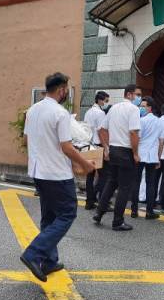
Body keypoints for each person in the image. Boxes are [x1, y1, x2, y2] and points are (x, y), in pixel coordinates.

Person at [19, 72, 95, 282]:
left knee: (49, 216)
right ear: (62, 90)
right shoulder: (60, 114)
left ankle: (50, 260)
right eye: (66, 90)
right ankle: (34, 253)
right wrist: (85, 163)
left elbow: (26, 141)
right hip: (57, 174)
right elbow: (67, 147)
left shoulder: (32, 110)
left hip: (38, 172)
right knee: (67, 214)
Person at [93, 84, 142, 231]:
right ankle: (118, 221)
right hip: (126, 151)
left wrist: (107, 147)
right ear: (129, 94)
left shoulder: (113, 108)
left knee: (111, 183)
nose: (139, 98)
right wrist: (135, 153)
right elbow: (133, 133)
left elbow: (102, 129)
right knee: (124, 188)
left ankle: (99, 213)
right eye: (137, 94)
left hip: (114, 150)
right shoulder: (133, 109)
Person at [131, 96, 162, 220]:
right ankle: (149, 211)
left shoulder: (141, 121)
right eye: (141, 106)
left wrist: (135, 153)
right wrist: (159, 158)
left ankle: (134, 210)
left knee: (136, 182)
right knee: (151, 183)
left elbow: (137, 138)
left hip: (140, 154)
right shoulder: (158, 121)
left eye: (143, 106)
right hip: (152, 155)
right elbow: (161, 141)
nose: (141, 108)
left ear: (150, 107)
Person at [83, 91, 110, 210]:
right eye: (106, 101)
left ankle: (89, 201)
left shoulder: (88, 112)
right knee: (104, 175)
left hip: (89, 144)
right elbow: (101, 131)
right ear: (100, 100)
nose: (106, 103)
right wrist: (106, 147)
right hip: (98, 145)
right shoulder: (100, 113)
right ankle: (101, 201)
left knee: (90, 174)